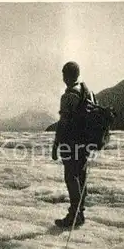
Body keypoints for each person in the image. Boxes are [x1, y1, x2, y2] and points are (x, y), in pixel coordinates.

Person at [51, 61, 93, 229]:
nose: (62, 77)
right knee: (81, 176)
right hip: (85, 142)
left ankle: (74, 214)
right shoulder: (86, 92)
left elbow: (63, 123)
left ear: (68, 75)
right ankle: (80, 213)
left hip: (71, 143)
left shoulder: (68, 96)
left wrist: (56, 145)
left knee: (70, 177)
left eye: (63, 74)